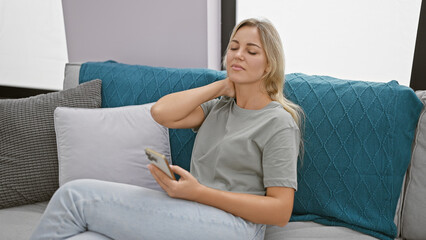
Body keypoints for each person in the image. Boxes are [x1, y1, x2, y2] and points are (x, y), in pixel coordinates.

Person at [30, 18, 303, 240]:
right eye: (233, 47)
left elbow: (280, 211)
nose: (238, 55)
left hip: (237, 226)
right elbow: (161, 113)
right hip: (194, 210)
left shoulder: (278, 123)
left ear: (269, 66)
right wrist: (221, 85)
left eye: (251, 51)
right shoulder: (220, 107)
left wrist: (199, 193)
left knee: (74, 196)